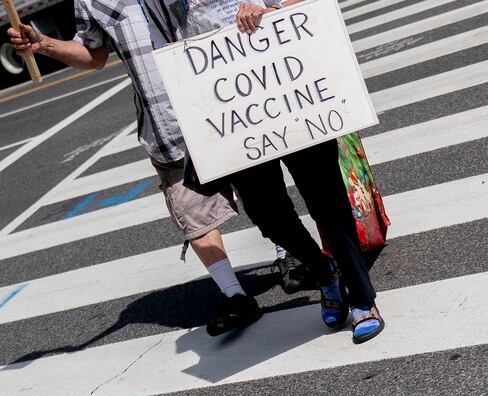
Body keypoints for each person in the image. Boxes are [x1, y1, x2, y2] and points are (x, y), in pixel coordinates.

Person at [6, 1, 307, 336]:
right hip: (164, 121)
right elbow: (95, 54)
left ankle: (291, 255)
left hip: (219, 100)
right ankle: (234, 295)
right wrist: (43, 43)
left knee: (262, 191)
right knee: (191, 211)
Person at [142, 0, 386, 343]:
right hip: (230, 104)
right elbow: (165, 45)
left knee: (325, 198)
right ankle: (323, 270)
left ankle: (362, 299)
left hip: (287, 82)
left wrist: (271, 8)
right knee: (265, 212)